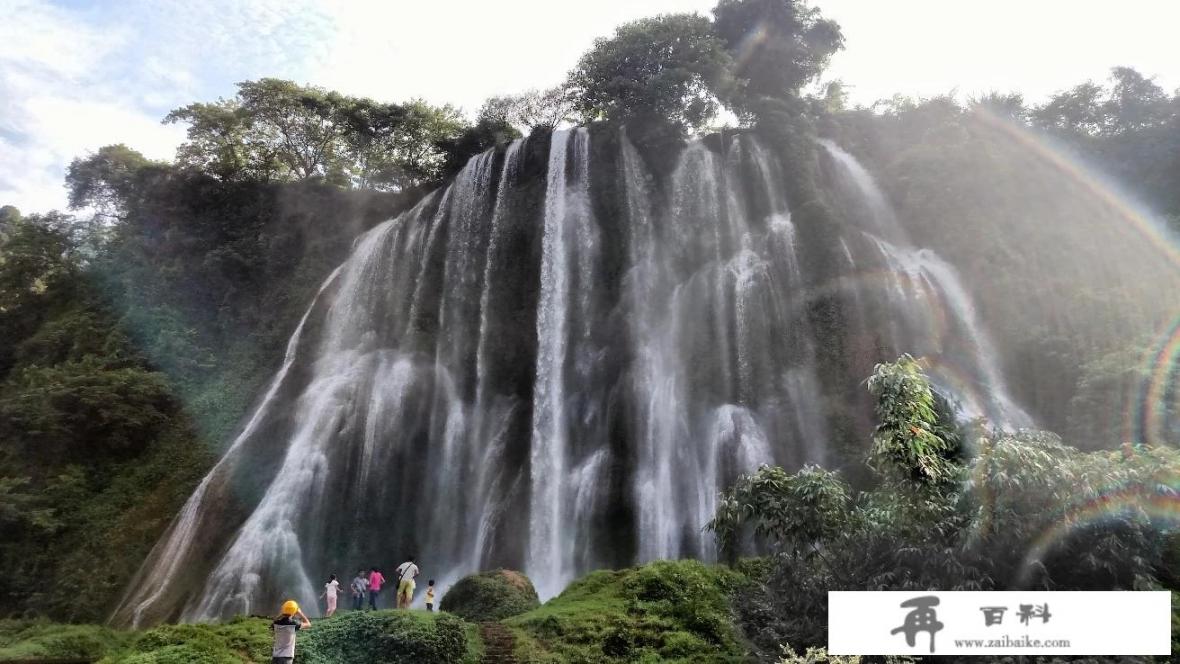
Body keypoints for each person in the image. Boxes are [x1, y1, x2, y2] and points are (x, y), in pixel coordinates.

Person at [271, 600, 311, 664]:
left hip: (276, 656)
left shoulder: (276, 624)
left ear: (283, 610)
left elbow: (275, 620)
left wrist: (282, 612)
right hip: (287, 658)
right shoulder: (294, 624)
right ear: (294, 611)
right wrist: (300, 613)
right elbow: (308, 624)